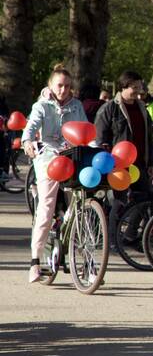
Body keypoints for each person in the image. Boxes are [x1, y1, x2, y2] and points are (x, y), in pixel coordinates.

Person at [22, 64, 89, 283]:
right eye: (60, 85)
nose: (63, 90)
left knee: (80, 203)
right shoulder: (42, 106)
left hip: (71, 156)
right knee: (47, 206)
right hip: (48, 158)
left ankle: (84, 258)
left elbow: (86, 129)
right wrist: (28, 142)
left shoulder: (76, 105)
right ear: (51, 85)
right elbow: (30, 128)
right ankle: (35, 261)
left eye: (67, 86)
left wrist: (99, 147)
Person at [95, 71, 153, 241]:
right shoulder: (110, 108)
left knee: (144, 199)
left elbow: (148, 136)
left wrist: (151, 162)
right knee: (117, 202)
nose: (138, 91)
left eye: (139, 87)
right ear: (123, 87)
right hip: (117, 164)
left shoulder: (142, 108)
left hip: (140, 162)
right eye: (134, 87)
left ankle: (130, 234)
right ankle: (111, 238)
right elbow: (100, 137)